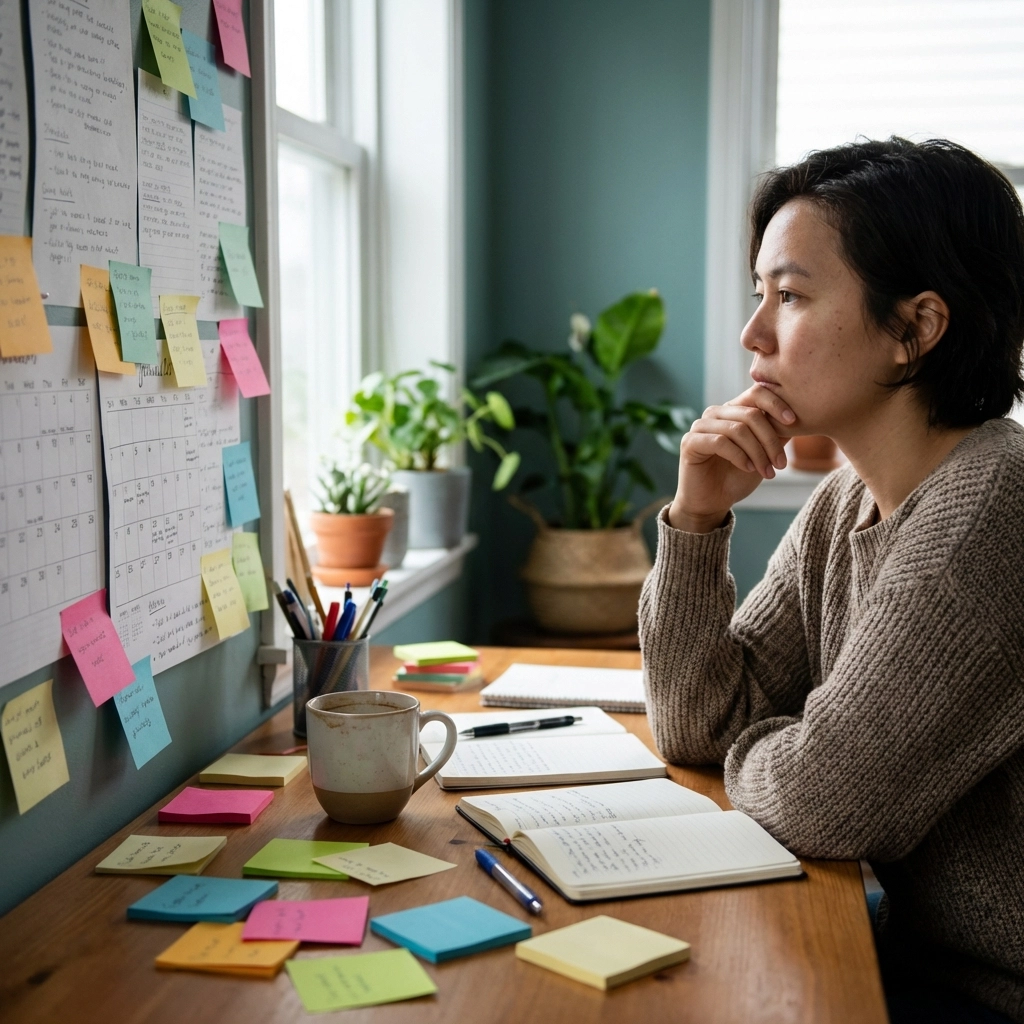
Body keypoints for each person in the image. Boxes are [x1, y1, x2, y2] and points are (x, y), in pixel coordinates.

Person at [639, 137, 1024, 1024]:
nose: (753, 332)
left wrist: (791, 745)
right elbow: (695, 723)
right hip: (902, 951)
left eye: (792, 296)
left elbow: (824, 804)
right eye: (759, 295)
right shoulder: (848, 496)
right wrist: (696, 521)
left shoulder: (991, 505)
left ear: (915, 330)